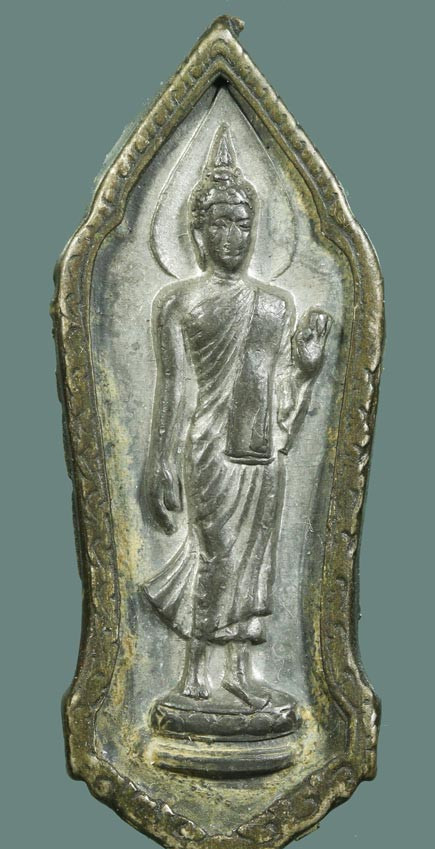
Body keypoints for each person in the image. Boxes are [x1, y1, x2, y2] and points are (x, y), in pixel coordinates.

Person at [141, 125, 330, 710]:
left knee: (256, 559)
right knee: (218, 551)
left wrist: (304, 369)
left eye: (243, 224)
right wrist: (159, 461)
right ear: (197, 232)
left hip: (260, 448)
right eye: (220, 223)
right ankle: (195, 667)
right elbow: (173, 387)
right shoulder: (179, 302)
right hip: (208, 445)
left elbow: (276, 388)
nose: (232, 236)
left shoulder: (276, 303)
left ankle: (242, 670)